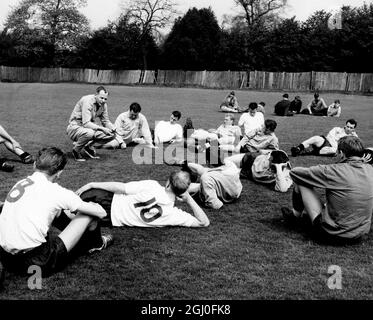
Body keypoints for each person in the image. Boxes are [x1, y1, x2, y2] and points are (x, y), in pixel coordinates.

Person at [0, 147, 113, 285]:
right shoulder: (57, 191)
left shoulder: (21, 183)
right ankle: (97, 244)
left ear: (35, 164)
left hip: (6, 259)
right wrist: (93, 206)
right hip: (38, 263)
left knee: (56, 210)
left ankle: (81, 239)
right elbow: (101, 213)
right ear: (59, 173)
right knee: (89, 214)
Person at [281, 136, 373, 244]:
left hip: (333, 234)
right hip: (359, 234)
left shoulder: (334, 171)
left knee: (301, 183)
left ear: (342, 153)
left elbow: (295, 172)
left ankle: (294, 217)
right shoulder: (370, 169)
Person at [74, 171, 210, 228]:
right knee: (75, 217)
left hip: (107, 200)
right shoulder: (173, 214)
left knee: (71, 203)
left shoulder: (153, 185)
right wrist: (189, 200)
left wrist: (92, 184)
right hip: (108, 219)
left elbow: (121, 187)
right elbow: (204, 222)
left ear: (168, 183)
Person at [66, 86, 124, 162]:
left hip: (88, 128)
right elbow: (86, 123)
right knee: (90, 133)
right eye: (101, 98)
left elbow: (105, 121)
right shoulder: (87, 101)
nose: (103, 100)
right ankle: (76, 151)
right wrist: (103, 129)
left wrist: (114, 129)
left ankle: (88, 146)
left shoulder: (103, 105)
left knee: (111, 134)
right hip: (75, 127)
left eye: (105, 99)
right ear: (96, 95)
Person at [224, 149, 293, 192]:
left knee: (226, 172)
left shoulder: (287, 173)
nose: (268, 159)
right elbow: (263, 151)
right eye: (269, 158)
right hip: (250, 159)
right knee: (226, 160)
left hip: (249, 174)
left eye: (270, 160)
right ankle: (215, 148)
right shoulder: (272, 155)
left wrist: (278, 168)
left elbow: (282, 189)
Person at [291, 119, 358, 157]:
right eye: (348, 126)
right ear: (345, 125)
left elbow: (351, 148)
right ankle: (298, 148)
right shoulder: (337, 129)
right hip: (326, 142)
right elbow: (329, 136)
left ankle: (310, 152)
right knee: (316, 138)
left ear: (354, 129)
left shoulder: (353, 138)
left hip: (332, 149)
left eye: (351, 128)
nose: (348, 129)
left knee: (334, 151)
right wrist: (335, 142)